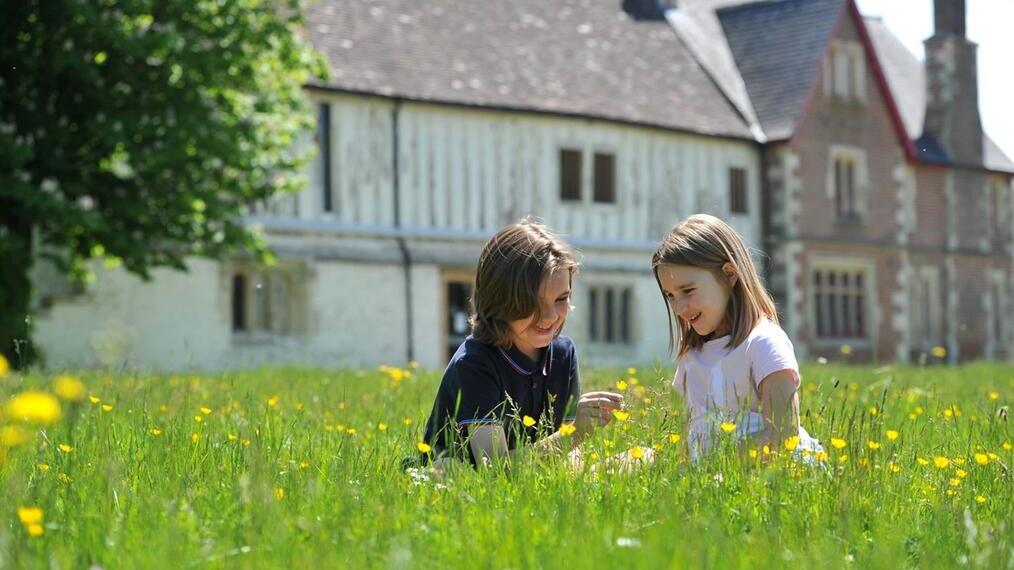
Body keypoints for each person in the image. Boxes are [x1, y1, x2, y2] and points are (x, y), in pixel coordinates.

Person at [417, 218, 623, 469]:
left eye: (561, 298)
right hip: (463, 476)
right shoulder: (474, 363)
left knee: (639, 458)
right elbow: (494, 468)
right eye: (532, 304)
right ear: (498, 300)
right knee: (448, 469)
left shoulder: (563, 354)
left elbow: (564, 456)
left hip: (531, 472)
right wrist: (575, 433)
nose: (549, 317)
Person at [651, 214, 822, 460]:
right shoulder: (691, 357)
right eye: (670, 296)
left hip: (773, 478)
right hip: (716, 483)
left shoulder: (763, 344)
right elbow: (689, 440)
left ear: (729, 274)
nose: (679, 308)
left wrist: (721, 465)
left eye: (688, 291)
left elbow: (783, 436)